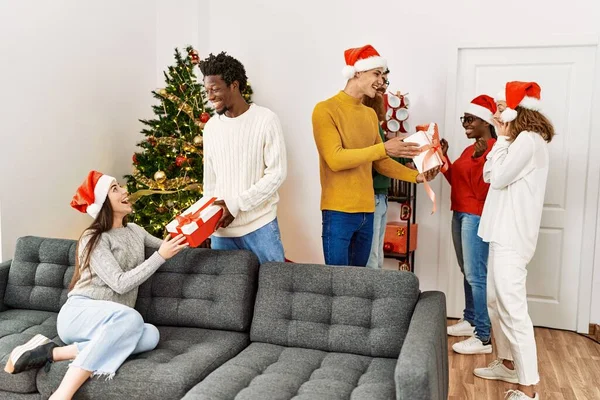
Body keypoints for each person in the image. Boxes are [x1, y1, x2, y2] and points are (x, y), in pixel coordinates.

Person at [4, 170, 187, 400]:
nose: (124, 191)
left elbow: (172, 247)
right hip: (81, 315)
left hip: (112, 321)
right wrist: (160, 256)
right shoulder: (95, 237)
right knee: (132, 319)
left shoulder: (135, 231)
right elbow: (120, 284)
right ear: (103, 203)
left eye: (121, 186)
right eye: (115, 189)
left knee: (150, 335)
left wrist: (197, 225)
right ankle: (62, 394)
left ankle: (52, 352)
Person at [312, 44, 438, 267]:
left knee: (361, 283)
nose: (381, 81)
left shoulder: (370, 115)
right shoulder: (325, 110)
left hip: (367, 212)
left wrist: (417, 177)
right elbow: (336, 159)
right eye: (376, 73)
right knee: (336, 283)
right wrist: (384, 148)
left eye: (383, 75)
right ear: (357, 73)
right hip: (338, 212)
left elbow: (380, 163)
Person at [474, 82, 554, 400]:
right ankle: (508, 363)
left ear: (514, 111)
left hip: (512, 236)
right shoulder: (517, 141)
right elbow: (489, 175)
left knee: (513, 309)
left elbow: (497, 177)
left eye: (500, 108)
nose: (495, 114)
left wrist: (502, 138)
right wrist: (503, 141)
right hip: (500, 232)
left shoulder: (527, 141)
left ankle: (528, 388)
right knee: (496, 302)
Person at [198, 52, 287, 264]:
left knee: (274, 289)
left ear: (234, 85)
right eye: (207, 90)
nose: (210, 97)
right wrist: (206, 225)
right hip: (222, 232)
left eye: (215, 89)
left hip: (260, 226)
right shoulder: (211, 128)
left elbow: (277, 173)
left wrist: (236, 204)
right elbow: (210, 183)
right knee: (228, 296)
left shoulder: (266, 120)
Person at [442, 95, 497, 355]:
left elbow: (481, 190)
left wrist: (478, 159)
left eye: (470, 119)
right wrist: (443, 158)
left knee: (476, 275)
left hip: (475, 216)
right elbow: (457, 181)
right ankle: (470, 319)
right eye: (463, 118)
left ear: (486, 121)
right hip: (460, 213)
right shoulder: (470, 148)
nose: (465, 123)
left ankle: (483, 337)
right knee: (467, 270)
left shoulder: (495, 147)